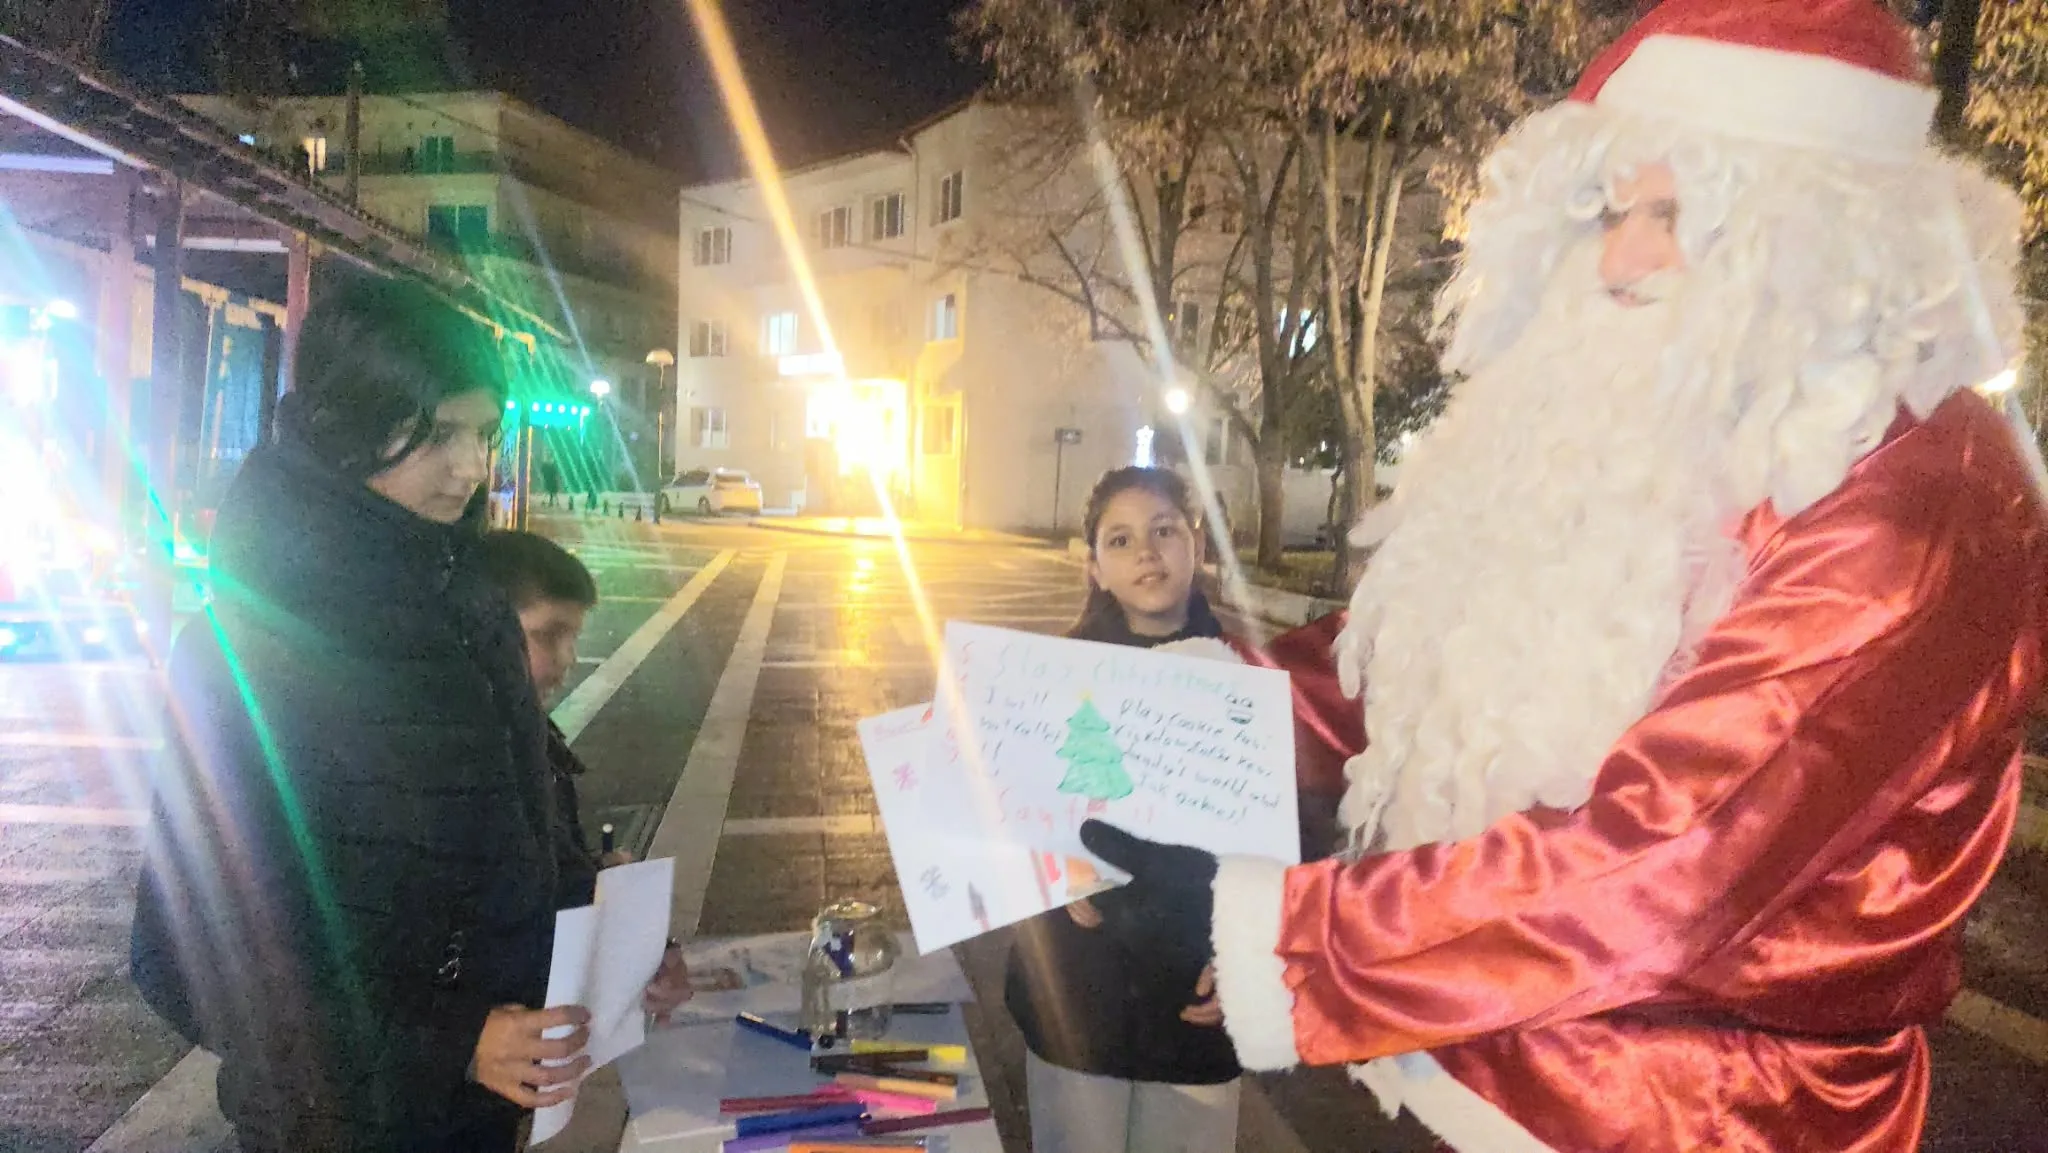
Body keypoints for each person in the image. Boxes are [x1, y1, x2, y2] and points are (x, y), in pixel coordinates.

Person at [1078, 2, 2048, 1151]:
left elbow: (1673, 861)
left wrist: (1280, 939)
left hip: (1699, 1120)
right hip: (1467, 1068)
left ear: (1820, 229)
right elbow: (1408, 664)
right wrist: (1127, 721)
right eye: (1608, 212)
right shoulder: (1646, 414)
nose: (1620, 260)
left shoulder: (1912, 489)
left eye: (1671, 215)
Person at [130, 275, 590, 1152]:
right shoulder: (249, 643)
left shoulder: (471, 607)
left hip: (476, 1116)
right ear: (349, 424)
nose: (473, 468)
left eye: (485, 433)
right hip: (333, 1122)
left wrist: (607, 925)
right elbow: (189, 957)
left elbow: (508, 844)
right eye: (440, 434)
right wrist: (453, 1043)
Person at [473, 529, 693, 1019]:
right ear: (481, 628)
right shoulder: (447, 769)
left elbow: (547, 878)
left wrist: (617, 903)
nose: (568, 659)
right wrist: (469, 1039)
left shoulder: (534, 743)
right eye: (549, 635)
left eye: (573, 638)